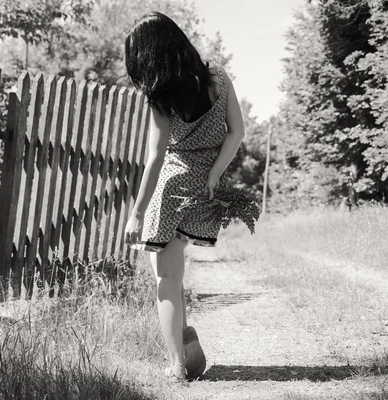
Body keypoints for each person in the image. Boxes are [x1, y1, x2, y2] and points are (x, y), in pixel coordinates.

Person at [123, 12, 245, 381]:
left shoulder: (160, 95)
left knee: (166, 280)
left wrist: (136, 211)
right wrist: (213, 174)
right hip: (203, 189)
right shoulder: (219, 77)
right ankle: (187, 343)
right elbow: (236, 133)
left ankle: (177, 365)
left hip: (172, 188)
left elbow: (156, 157)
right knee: (174, 274)